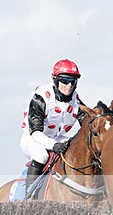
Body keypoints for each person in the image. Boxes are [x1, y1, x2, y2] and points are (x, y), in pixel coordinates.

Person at [19, 59, 82, 199]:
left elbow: (86, 119)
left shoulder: (75, 98)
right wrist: (54, 145)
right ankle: (29, 197)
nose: (69, 85)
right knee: (42, 155)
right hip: (33, 138)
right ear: (55, 80)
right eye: (65, 80)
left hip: (55, 137)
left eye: (73, 81)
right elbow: (35, 132)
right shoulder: (41, 97)